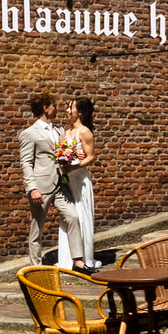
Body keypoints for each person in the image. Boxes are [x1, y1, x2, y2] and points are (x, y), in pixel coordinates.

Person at [18, 90, 81, 267]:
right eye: (55, 106)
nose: (57, 109)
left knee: (73, 217)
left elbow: (65, 155)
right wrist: (32, 188)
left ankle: (78, 261)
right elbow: (26, 163)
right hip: (41, 187)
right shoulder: (29, 133)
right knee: (37, 229)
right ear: (46, 108)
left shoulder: (60, 130)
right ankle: (36, 267)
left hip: (61, 185)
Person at [56, 97, 100, 272]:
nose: (67, 111)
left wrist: (74, 166)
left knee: (81, 217)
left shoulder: (84, 132)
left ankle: (84, 257)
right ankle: (68, 258)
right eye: (67, 107)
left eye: (70, 107)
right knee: (68, 217)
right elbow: (61, 154)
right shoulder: (66, 133)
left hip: (80, 181)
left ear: (79, 112)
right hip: (67, 181)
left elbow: (90, 157)